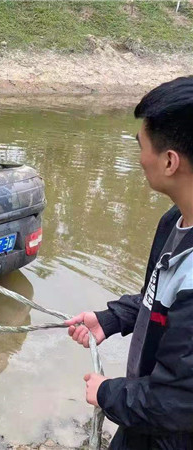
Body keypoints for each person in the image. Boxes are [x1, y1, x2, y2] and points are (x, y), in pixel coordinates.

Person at [65, 76, 193, 448]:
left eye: (142, 146)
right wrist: (112, 319)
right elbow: (160, 301)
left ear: (170, 161)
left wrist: (108, 394)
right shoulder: (175, 220)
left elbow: (178, 403)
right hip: (145, 422)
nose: (139, 159)